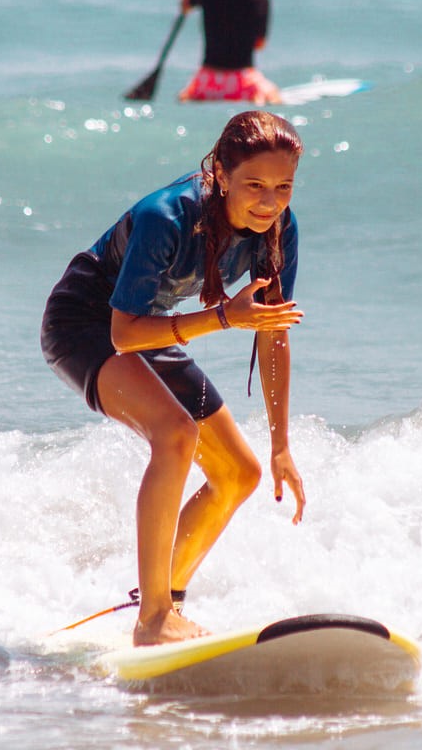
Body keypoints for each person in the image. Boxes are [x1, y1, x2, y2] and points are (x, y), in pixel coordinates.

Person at [41, 110, 307, 646]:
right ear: (221, 175)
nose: (269, 200)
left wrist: (281, 444)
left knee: (240, 472)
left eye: (283, 187)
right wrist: (223, 317)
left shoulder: (278, 229)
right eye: (254, 185)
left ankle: (165, 598)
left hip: (154, 329)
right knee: (175, 433)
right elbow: (121, 334)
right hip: (87, 324)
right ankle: (153, 619)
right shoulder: (167, 216)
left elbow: (273, 333)